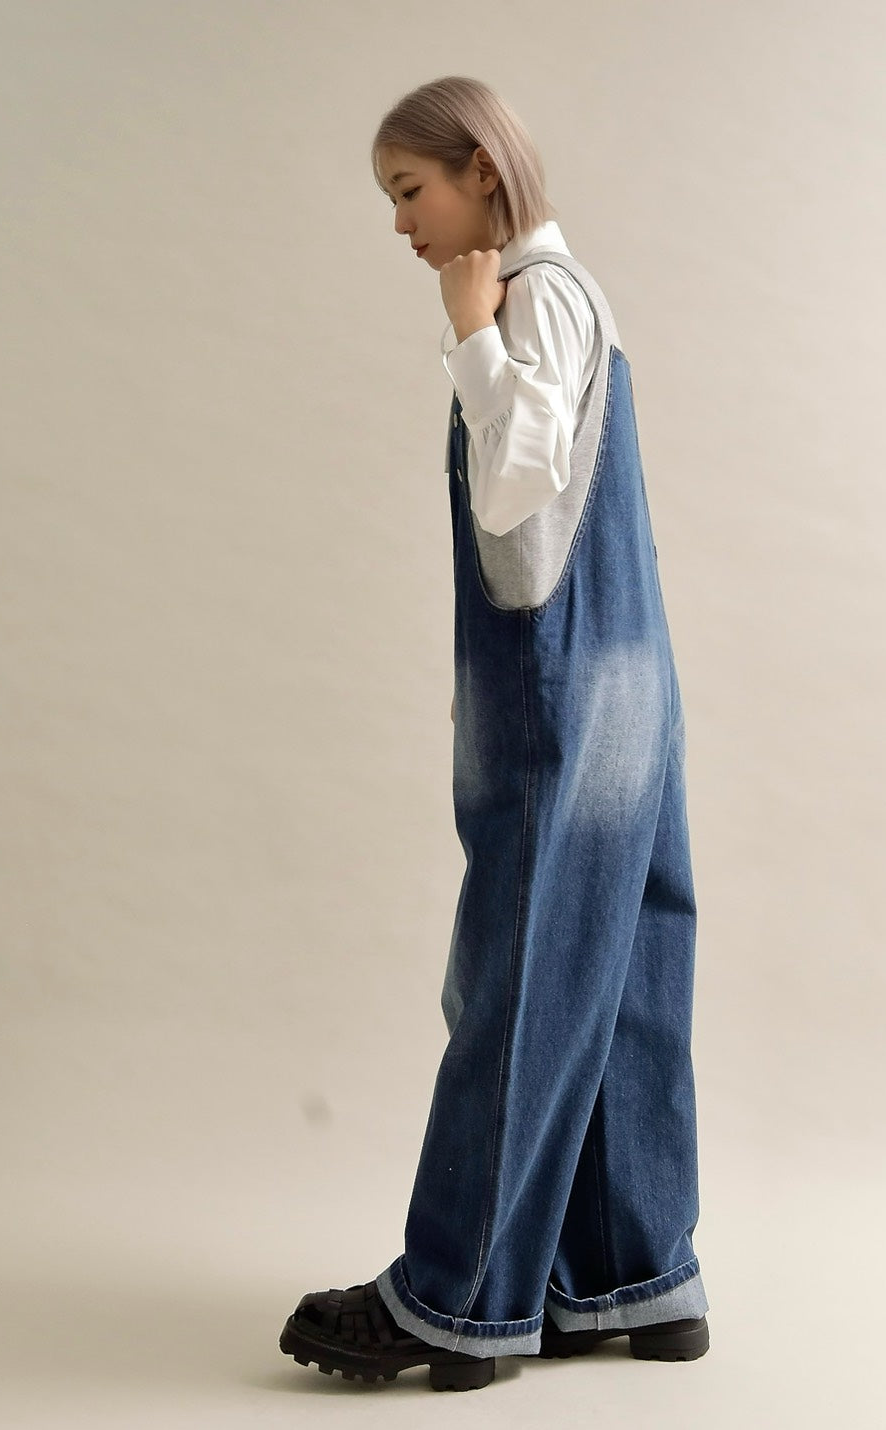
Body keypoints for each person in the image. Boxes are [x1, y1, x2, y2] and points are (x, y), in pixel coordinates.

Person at [279, 75, 710, 1393]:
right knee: (623, 967)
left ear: (480, 168)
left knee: (522, 969)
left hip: (561, 687)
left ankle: (459, 1297)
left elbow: (518, 483)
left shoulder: (531, 298)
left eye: (410, 189)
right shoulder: (582, 301)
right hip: (633, 683)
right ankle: (634, 1276)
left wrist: (470, 333)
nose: (401, 223)